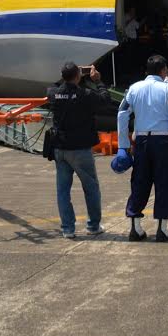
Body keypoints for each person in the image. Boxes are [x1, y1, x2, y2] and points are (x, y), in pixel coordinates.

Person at [115, 55, 168, 242]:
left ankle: (135, 227)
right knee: (164, 183)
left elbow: (122, 113)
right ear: (163, 71)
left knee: (139, 181)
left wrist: (123, 145)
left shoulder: (134, 88)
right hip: (163, 142)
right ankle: (162, 228)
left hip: (141, 141)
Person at [47, 61, 107, 239]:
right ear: (78, 76)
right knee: (91, 188)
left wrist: (68, 76)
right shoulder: (85, 94)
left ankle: (68, 228)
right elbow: (105, 100)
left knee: (63, 190)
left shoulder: (53, 93)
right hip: (81, 149)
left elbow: (54, 86)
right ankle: (93, 225)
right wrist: (98, 81)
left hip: (60, 148)